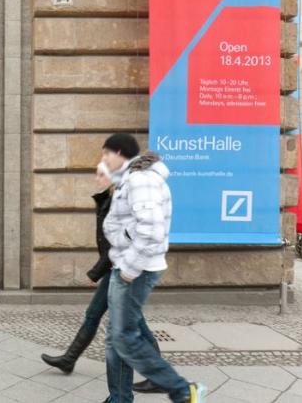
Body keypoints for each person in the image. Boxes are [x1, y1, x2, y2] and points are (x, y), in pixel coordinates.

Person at [100, 134, 209, 403]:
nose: (103, 160)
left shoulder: (141, 180)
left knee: (122, 338)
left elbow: (151, 229)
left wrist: (129, 267)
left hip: (135, 268)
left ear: (119, 152)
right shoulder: (133, 179)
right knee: (118, 337)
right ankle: (119, 398)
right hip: (129, 265)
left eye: (106, 154)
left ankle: (183, 391)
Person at [40, 164, 165, 394]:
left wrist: (96, 272)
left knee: (132, 321)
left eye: (103, 175)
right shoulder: (110, 199)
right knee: (97, 315)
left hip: (122, 268)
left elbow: (120, 243)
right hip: (114, 268)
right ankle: (69, 359)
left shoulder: (124, 202)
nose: (97, 178)